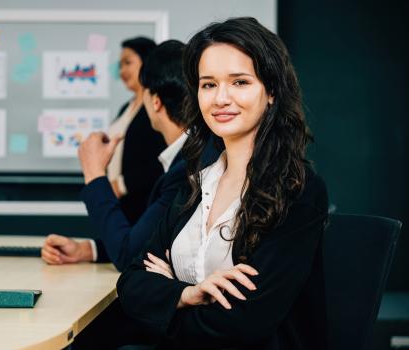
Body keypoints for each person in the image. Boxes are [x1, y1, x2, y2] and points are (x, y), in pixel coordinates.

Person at [115, 17, 329, 349]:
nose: (220, 99)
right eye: (208, 84)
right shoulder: (196, 183)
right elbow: (130, 283)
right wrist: (187, 293)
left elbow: (244, 324)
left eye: (240, 82)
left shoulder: (297, 190)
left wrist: (167, 297)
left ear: (271, 91)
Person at [41, 40, 194, 272]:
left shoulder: (184, 170)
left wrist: (94, 173)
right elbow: (145, 242)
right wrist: (88, 249)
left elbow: (129, 255)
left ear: (155, 102)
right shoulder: (186, 158)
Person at [104, 36, 166, 224]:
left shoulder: (156, 106)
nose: (122, 71)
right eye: (120, 65)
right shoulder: (126, 108)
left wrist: (121, 184)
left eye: (128, 62)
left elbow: (160, 160)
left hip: (141, 205)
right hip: (119, 205)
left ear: (147, 62)